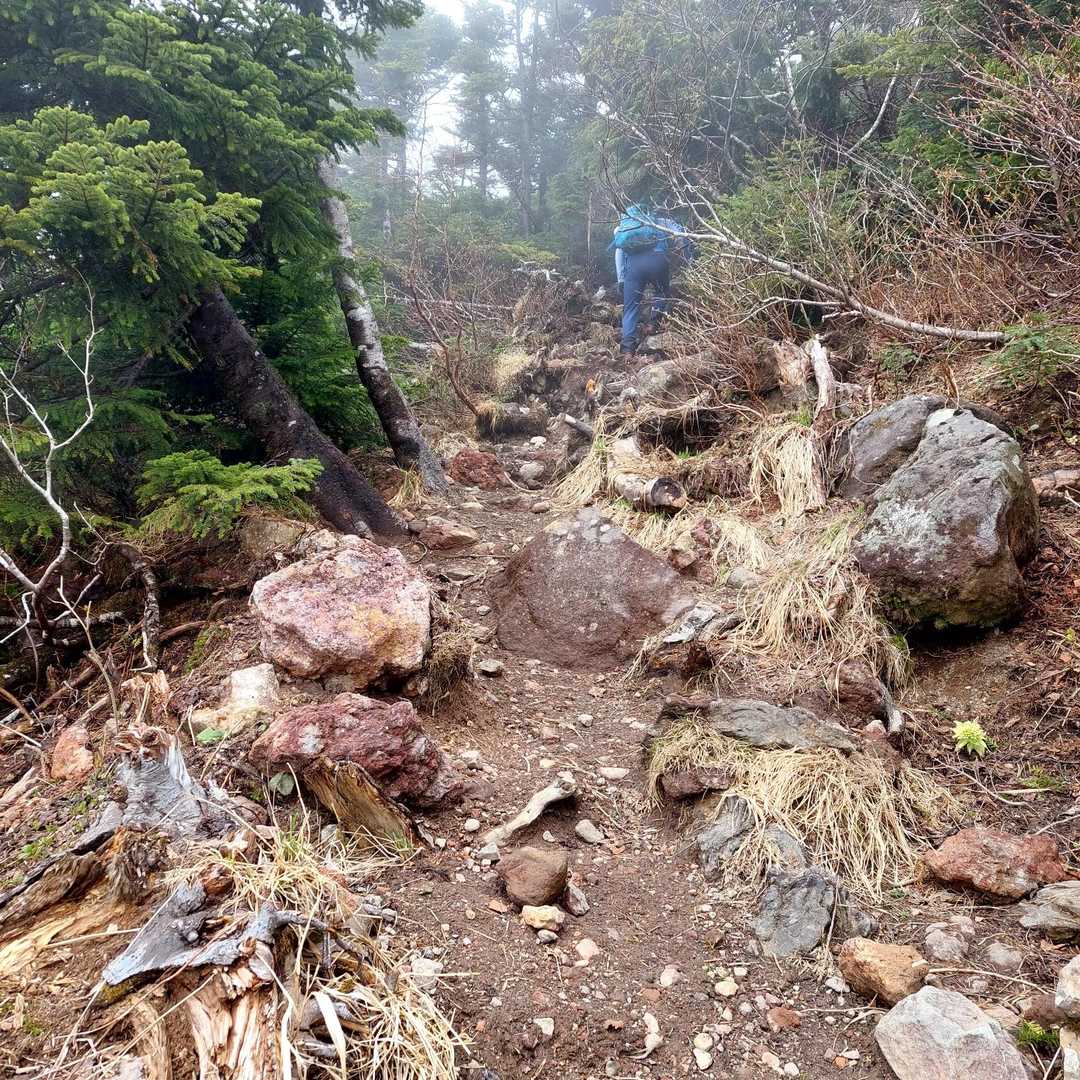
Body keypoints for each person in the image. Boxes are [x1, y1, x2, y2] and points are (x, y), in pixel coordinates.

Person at [611, 203, 687, 356]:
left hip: (633, 265)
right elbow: (682, 235)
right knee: (662, 292)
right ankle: (653, 323)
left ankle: (627, 350)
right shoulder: (661, 222)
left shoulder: (623, 228)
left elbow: (619, 253)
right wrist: (683, 260)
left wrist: (621, 279)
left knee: (630, 307)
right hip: (658, 260)